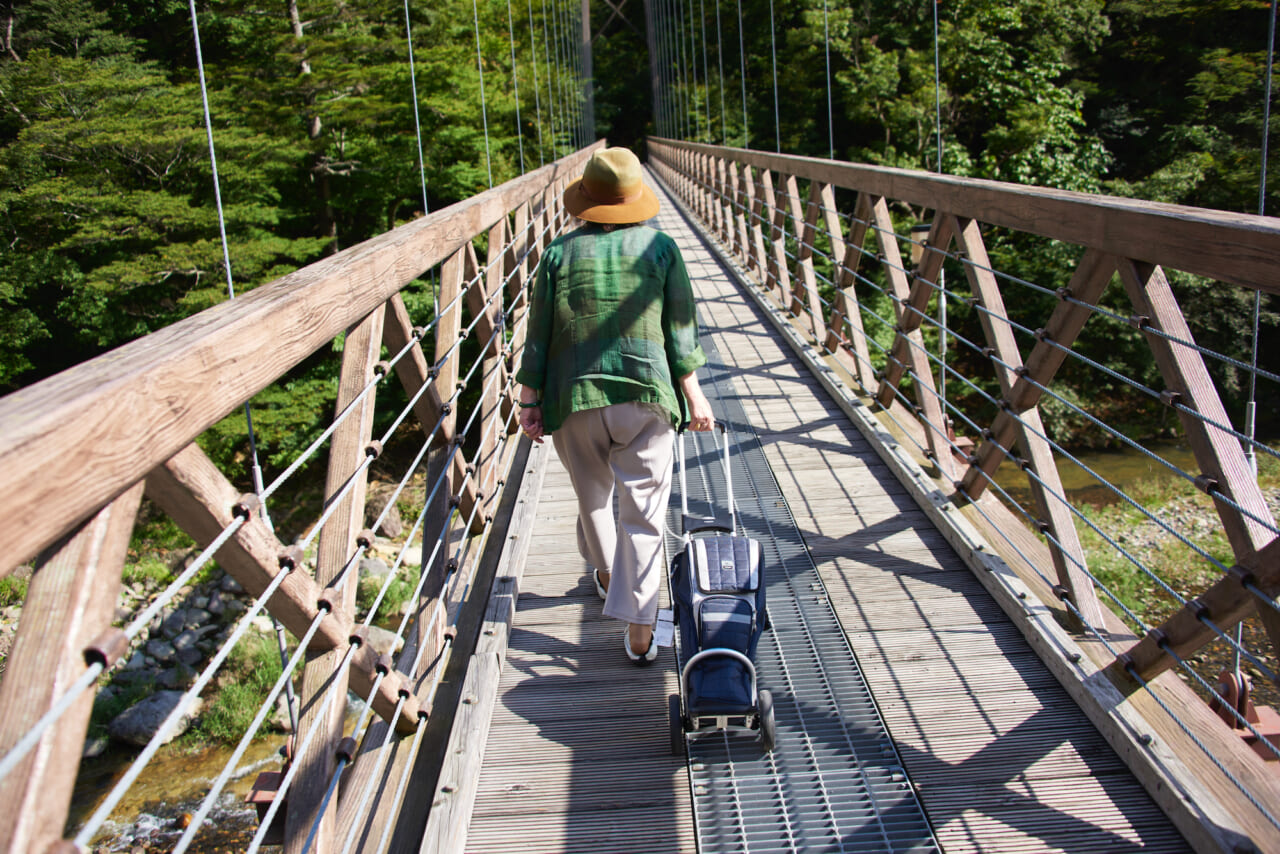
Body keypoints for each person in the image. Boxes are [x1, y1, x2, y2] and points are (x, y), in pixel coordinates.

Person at [516, 146, 714, 666]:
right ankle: (642, 627)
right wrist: (693, 395)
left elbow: (537, 337)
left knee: (593, 501)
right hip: (647, 395)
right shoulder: (663, 249)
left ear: (588, 199)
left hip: (575, 397)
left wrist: (529, 401)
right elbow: (679, 332)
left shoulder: (557, 255)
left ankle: (606, 575)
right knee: (645, 519)